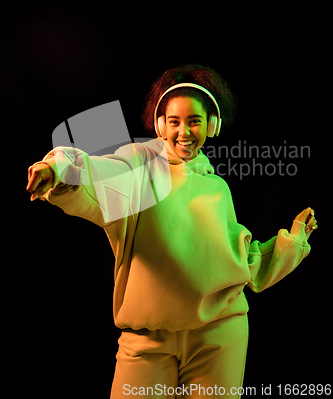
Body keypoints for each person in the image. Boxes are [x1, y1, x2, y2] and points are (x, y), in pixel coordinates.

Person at [26, 63, 318, 398]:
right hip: (146, 340)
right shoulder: (139, 166)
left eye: (194, 121)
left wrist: (293, 241)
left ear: (212, 125)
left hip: (219, 334)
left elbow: (241, 263)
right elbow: (99, 174)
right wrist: (58, 169)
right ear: (160, 124)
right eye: (174, 121)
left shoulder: (217, 188)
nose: (184, 132)